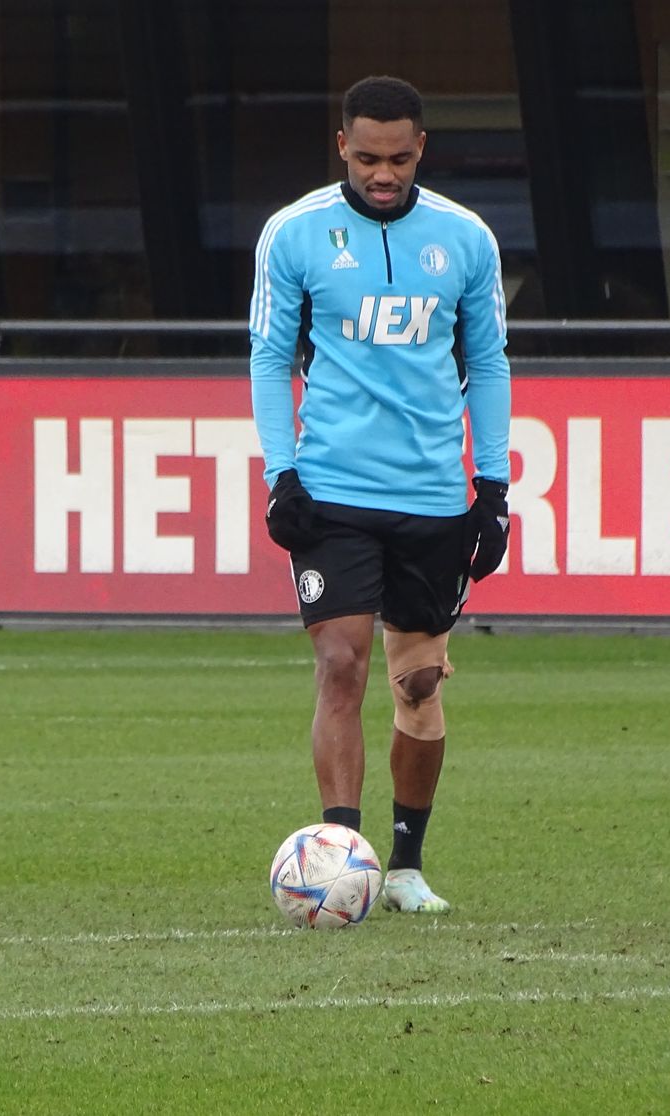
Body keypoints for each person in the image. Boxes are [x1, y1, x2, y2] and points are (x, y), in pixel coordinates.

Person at [248, 76, 512, 915]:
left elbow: (491, 365)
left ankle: (402, 865)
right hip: (331, 490)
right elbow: (268, 358)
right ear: (342, 148)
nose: (383, 173)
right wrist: (280, 473)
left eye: (398, 158)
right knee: (339, 664)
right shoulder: (294, 235)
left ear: (422, 149)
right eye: (367, 158)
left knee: (420, 684)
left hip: (432, 496)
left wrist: (493, 486)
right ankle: (339, 855)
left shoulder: (466, 240)